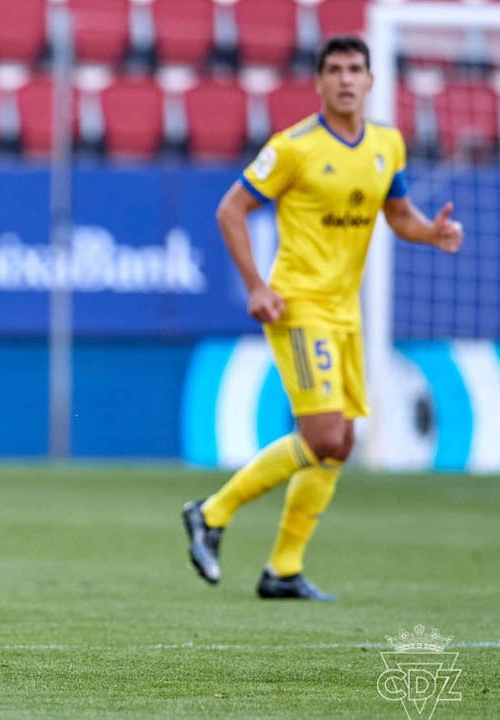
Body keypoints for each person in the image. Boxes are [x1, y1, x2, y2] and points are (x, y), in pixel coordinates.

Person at [182, 36, 462, 600]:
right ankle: (211, 513)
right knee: (323, 434)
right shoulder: (293, 147)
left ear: (371, 80)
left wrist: (430, 232)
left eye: (355, 69)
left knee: (341, 443)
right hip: (298, 303)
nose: (346, 79)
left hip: (346, 311)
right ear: (319, 81)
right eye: (334, 70)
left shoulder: (387, 143)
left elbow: (398, 214)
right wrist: (257, 287)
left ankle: (283, 569)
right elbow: (230, 209)